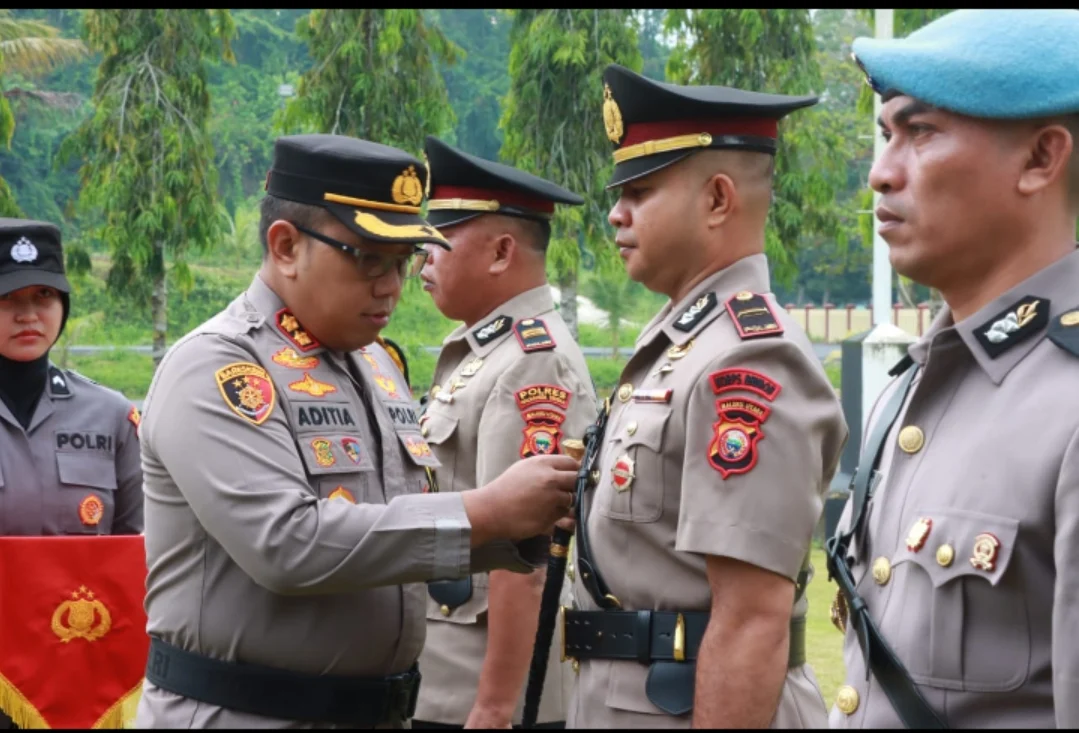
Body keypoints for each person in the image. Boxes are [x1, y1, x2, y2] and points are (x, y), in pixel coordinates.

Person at [134, 134, 580, 729]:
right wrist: (487, 512)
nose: (392, 285)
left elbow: (394, 528)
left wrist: (523, 526)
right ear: (286, 246)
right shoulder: (218, 365)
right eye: (369, 258)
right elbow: (286, 544)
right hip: (245, 713)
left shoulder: (374, 364)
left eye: (401, 261)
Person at [565, 64, 848, 729]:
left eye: (640, 191)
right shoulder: (682, 341)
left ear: (718, 199)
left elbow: (750, 622)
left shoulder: (748, 356)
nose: (616, 212)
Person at [827, 9, 1079, 729]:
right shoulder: (914, 384)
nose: (881, 172)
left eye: (922, 131)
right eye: (886, 135)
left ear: (1040, 159)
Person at [411, 136, 598, 730]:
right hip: (443, 681)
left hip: (480, 698)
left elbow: (526, 556)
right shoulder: (484, 351)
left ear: (500, 252)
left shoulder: (532, 362)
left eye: (438, 242)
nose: (421, 261)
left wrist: (493, 708)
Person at [0, 217, 143, 729]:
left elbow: (137, 547)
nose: (28, 314)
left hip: (82, 667)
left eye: (44, 296)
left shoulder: (110, 414)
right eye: (8, 298)